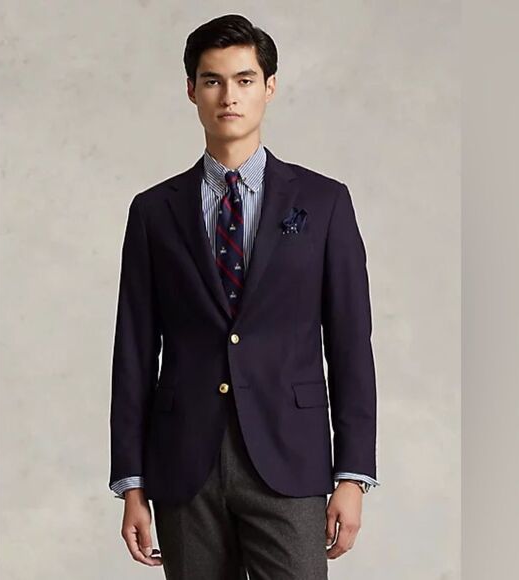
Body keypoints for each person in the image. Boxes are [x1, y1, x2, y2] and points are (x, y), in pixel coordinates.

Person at [108, 13, 379, 579]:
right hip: (185, 465)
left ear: (269, 87)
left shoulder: (325, 203)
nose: (228, 95)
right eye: (212, 80)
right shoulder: (154, 212)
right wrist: (132, 482)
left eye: (244, 79)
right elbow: (133, 351)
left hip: (291, 459)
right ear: (192, 90)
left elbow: (351, 344)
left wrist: (352, 475)